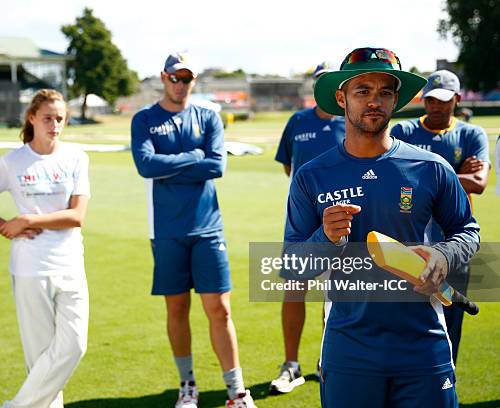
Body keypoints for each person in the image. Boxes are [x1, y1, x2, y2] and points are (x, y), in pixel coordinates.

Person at [285, 47, 480, 407]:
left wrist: (443, 254)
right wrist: (324, 239)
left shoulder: (431, 167)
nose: (374, 101)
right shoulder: (311, 176)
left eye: (385, 92)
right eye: (363, 91)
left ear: (396, 101)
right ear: (342, 98)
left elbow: (468, 229)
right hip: (349, 349)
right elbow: (291, 266)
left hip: (423, 346)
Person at [131, 52, 256, 408]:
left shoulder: (208, 116)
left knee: (220, 309)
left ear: (194, 80)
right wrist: (193, 157)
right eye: (175, 78)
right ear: (163, 77)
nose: (181, 84)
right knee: (177, 309)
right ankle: (187, 387)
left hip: (207, 228)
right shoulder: (145, 119)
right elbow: (145, 164)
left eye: (187, 78)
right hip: (166, 230)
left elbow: (217, 166)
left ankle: (236, 391)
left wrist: (172, 166)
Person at [0, 89, 90, 408]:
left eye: (60, 119)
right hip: (30, 268)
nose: (54, 125)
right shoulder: (12, 161)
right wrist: (3, 225)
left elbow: (77, 217)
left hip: (70, 264)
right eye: (47, 118)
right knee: (41, 357)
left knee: (74, 346)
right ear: (32, 118)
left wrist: (28, 219)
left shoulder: (76, 158)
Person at [391, 69, 490, 364]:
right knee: (403, 323)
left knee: (448, 326)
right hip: (407, 244)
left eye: (444, 101)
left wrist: (420, 175)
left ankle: (445, 386)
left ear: (457, 100)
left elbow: (479, 184)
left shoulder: (471, 134)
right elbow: (392, 178)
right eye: (431, 100)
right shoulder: (404, 132)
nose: (435, 106)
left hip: (454, 245)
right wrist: (457, 172)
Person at [271, 61, 345, 394]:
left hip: (343, 219)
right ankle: (291, 366)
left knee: (339, 294)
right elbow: (290, 166)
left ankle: (329, 361)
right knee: (294, 287)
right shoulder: (297, 121)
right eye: (320, 82)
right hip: (302, 220)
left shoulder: (352, 122)